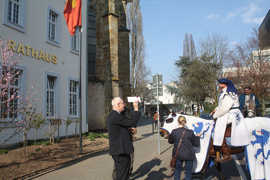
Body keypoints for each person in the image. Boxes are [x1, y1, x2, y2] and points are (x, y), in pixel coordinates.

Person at [211, 78, 249, 162]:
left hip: (232, 113)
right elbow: (221, 105)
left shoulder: (229, 93)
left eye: (220, 83)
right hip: (228, 111)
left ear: (224, 84)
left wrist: (215, 116)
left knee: (219, 125)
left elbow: (225, 108)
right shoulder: (224, 92)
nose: (218, 84)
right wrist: (215, 109)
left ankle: (226, 152)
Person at [107, 97, 140, 180]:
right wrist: (136, 109)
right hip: (120, 151)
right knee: (122, 175)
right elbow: (132, 122)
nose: (124, 105)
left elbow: (122, 128)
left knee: (123, 173)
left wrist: (130, 130)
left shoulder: (116, 115)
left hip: (121, 150)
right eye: (122, 103)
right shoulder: (115, 116)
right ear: (118, 105)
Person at [168, 116, 200, 180]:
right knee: (188, 173)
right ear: (185, 122)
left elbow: (170, 141)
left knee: (177, 171)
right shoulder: (190, 132)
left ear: (178, 122)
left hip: (177, 155)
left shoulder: (174, 131)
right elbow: (196, 144)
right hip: (189, 154)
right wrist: (197, 137)